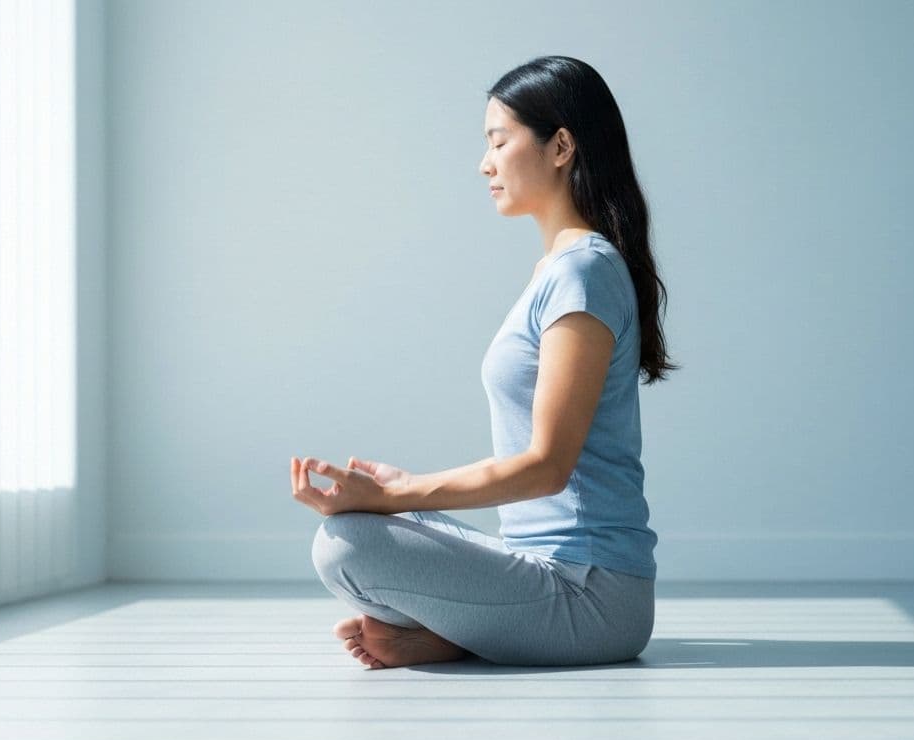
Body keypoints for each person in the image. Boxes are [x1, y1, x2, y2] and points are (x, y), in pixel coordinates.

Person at [290, 55, 678, 669]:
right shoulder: (560, 270)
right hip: (540, 572)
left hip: (593, 597)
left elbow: (548, 467)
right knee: (375, 514)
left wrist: (400, 498)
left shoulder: (584, 273)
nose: (485, 163)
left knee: (346, 545)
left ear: (561, 147)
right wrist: (400, 493)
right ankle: (468, 633)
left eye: (499, 141)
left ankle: (464, 634)